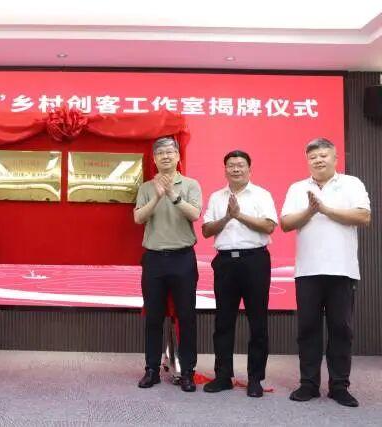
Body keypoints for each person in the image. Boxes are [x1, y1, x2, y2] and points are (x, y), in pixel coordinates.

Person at [281, 138, 370, 408]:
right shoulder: (298, 188)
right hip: (308, 270)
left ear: (335, 158)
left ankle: (339, 386)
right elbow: (286, 223)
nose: (318, 160)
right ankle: (308, 383)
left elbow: (363, 217)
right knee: (308, 328)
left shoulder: (352, 184)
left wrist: (325, 209)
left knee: (341, 329)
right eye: (313, 157)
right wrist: (310, 210)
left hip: (342, 269)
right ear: (307, 161)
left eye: (323, 155)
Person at [201, 150, 277, 398]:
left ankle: (255, 379)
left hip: (255, 261)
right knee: (223, 321)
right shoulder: (216, 197)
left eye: (240, 165)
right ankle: (223, 376)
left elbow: (269, 226)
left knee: (258, 322)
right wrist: (227, 217)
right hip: (225, 262)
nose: (236, 169)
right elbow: (206, 230)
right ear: (225, 170)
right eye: (231, 165)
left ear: (249, 169)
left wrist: (239, 215)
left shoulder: (262, 195)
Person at [134, 136, 202, 392]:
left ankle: (187, 372)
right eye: (160, 153)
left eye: (169, 152)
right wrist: (156, 197)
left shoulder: (191, 184)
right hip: (154, 259)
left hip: (183, 258)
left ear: (178, 157)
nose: (165, 156)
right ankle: (151, 369)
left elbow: (195, 214)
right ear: (154, 158)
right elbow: (138, 218)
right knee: (153, 317)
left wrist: (173, 195)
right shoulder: (146, 187)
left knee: (186, 317)